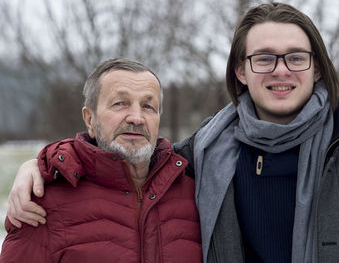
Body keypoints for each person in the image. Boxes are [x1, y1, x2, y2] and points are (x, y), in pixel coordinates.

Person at [5, 2, 339, 263]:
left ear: (317, 68)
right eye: (264, 58)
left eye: (296, 57)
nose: (281, 70)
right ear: (240, 72)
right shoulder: (205, 152)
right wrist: (42, 165)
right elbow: (129, 159)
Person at [0, 58, 202, 263]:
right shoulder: (43, 205)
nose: (137, 118)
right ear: (90, 120)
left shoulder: (197, 195)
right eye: (120, 103)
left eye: (148, 106)